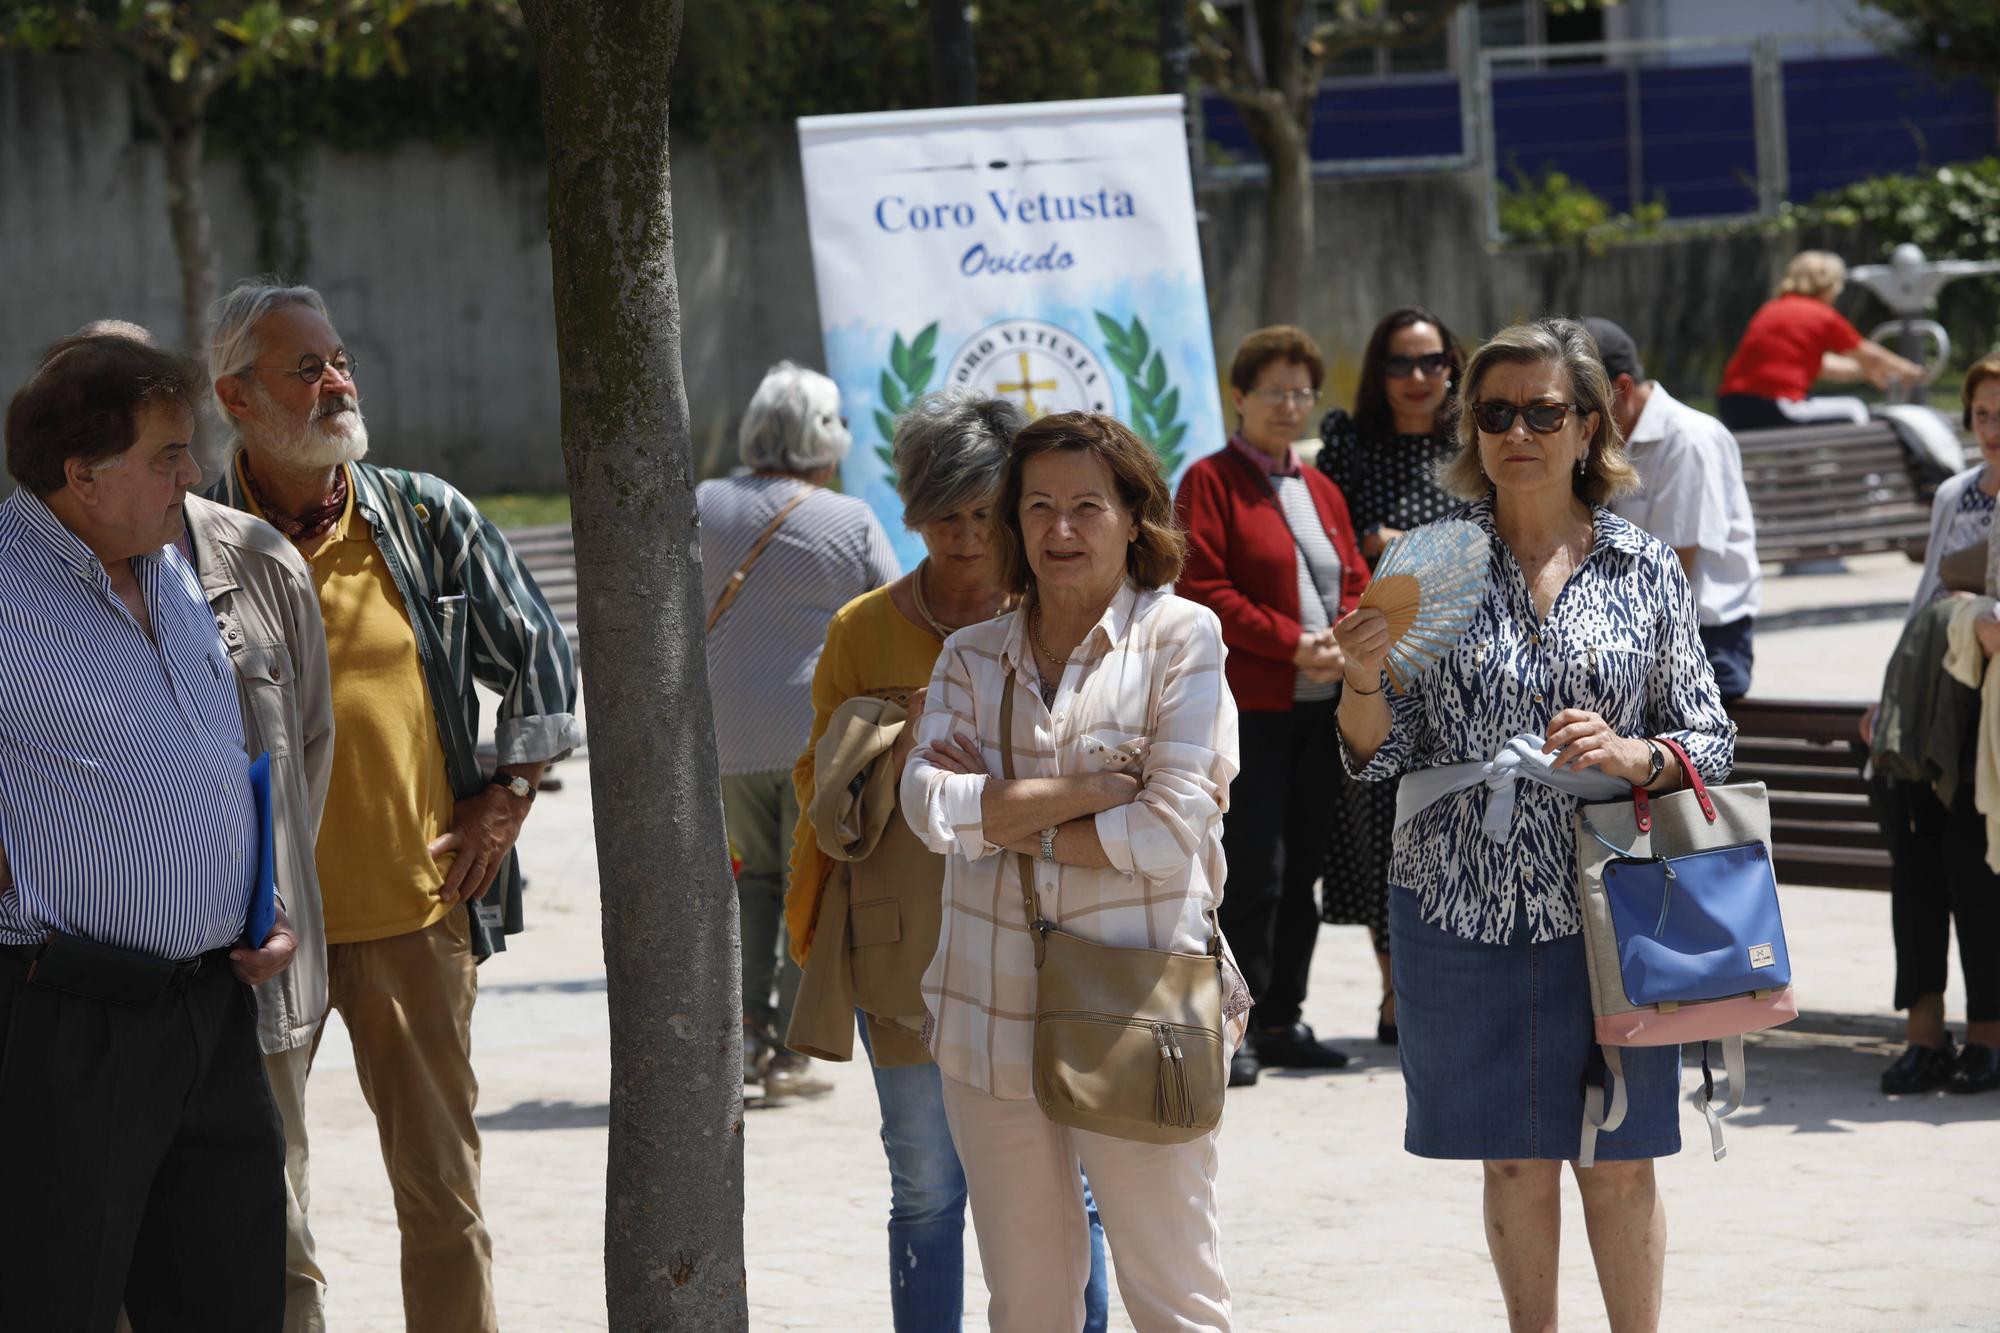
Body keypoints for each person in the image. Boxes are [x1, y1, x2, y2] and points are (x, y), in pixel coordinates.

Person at [1334, 318, 1734, 1333]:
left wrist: (1632, 753)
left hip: (1621, 898)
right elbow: (1377, 752)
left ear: (1585, 424)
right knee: (1511, 1156)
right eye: (1495, 411)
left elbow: (1707, 733)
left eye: (1541, 410)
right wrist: (1359, 678)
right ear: (1470, 429)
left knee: (1618, 1156)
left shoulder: (1642, 565)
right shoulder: (1429, 562)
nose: (1517, 430)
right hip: (1459, 901)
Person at [204, 280, 582, 1332]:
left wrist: (504, 800)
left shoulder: (422, 515)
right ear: (236, 397)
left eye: (339, 360)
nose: (335, 382)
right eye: (305, 367)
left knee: (443, 1202)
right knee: (265, 1211)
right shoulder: (196, 542)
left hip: (416, 920)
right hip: (256, 937)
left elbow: (543, 663)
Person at [903, 411, 1245, 1332]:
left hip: (1141, 1008)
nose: (1060, 530)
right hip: (985, 1012)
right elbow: (927, 808)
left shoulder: (1185, 638)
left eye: (1087, 506)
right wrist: (1087, 788)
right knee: (1028, 1305)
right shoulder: (969, 654)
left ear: (1135, 515)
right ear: (1013, 522)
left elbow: (1168, 829)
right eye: (1039, 506)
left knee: (1175, 1299)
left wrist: (1010, 816)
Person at [784, 391, 1111, 1331]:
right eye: (942, 515)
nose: (965, 539)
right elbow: (821, 794)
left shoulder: (1062, 613)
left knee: (1069, 1186)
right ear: (909, 510)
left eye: (982, 513)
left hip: (1051, 943)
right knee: (925, 1183)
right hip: (907, 949)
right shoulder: (860, 631)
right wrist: (895, 740)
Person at [0, 333, 299, 1329]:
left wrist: (256, 901)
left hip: (210, 1008)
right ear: (81, 474)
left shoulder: (166, 564)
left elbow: (207, 758)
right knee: (59, 1300)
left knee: (230, 1297)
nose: (194, 474)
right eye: (167, 454)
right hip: (66, 1021)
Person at [76, 316, 340, 1333]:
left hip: (251, 989)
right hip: (82, 1003)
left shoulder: (260, 560)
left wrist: (252, 892)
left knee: (269, 1249)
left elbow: (306, 745)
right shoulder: (26, 589)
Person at [701, 360, 900, 1099]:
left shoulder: (703, 503)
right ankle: (790, 1047)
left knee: (747, 882)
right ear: (824, 435)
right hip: (813, 738)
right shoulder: (847, 519)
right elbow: (891, 610)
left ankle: (745, 1033)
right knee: (805, 885)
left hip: (724, 734)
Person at [1176, 325, 1367, 1088]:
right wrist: (1291, 642)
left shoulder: (1319, 487)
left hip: (1323, 706)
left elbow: (1354, 573)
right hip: (1252, 704)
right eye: (1274, 391)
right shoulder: (1210, 481)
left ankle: (1284, 1014)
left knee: (1306, 872)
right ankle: (1236, 1025)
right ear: (1240, 397)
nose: (1290, 406)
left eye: (1302, 392)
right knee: (1251, 871)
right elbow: (1203, 587)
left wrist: (1346, 632)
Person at [1314, 306, 1466, 1046]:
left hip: (1466, 669)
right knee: (1379, 829)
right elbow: (1342, 548)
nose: (1417, 378)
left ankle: (1449, 977)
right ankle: (1392, 990)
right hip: (1382, 670)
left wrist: (1404, 545)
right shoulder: (1349, 451)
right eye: (1400, 364)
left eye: (1431, 361)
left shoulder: (1478, 445)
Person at [1865, 353, 2000, 1096]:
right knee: (1914, 861)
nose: (1993, 429)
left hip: (1993, 720)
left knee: (1973, 867)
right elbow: (1923, 600)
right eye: (1982, 414)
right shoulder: (1957, 492)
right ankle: (1923, 1031)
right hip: (1934, 703)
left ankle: (1989, 1034)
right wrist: (1889, 699)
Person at [1585, 316, 1763, 703]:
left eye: (1583, 404)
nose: (1575, 418)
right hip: (1630, 629)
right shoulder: (1609, 439)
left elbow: (1675, 569)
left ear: (1622, 389)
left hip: (1703, 638)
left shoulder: (1689, 440)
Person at [1716, 249, 1927, 432]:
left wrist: (1867, 372)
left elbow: (1825, 366)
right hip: (1775, 403)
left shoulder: (1772, 308)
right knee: (1855, 410)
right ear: (1829, 285)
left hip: (1733, 404)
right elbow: (1869, 354)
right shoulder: (1820, 315)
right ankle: (1864, 476)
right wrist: (1910, 370)